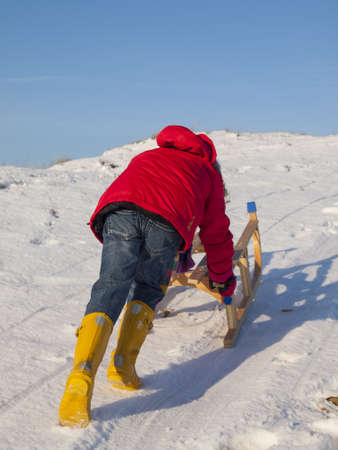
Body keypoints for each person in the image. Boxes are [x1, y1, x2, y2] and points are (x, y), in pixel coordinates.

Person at [58, 125, 236, 427]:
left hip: (119, 212)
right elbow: (216, 235)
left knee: (111, 286)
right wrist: (223, 278)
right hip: (165, 224)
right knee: (149, 288)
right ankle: (123, 365)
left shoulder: (149, 155)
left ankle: (81, 373)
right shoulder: (208, 173)